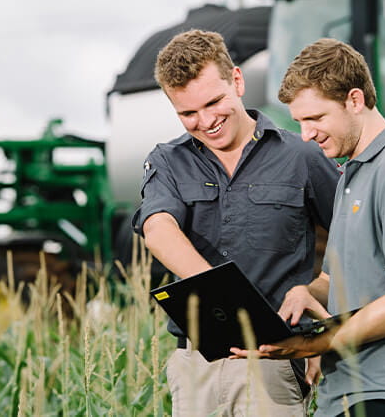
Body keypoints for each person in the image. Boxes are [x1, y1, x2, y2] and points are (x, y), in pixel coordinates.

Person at [230, 38, 385, 417]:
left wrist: (318, 343)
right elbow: (349, 278)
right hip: (348, 393)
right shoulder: (352, 173)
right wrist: (309, 291)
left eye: (316, 119)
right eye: (300, 122)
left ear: (355, 100)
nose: (306, 134)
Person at [132, 30, 340, 416]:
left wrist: (323, 322)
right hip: (196, 365)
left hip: (272, 361)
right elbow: (158, 229)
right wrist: (225, 296)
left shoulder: (302, 156)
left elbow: (353, 240)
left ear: (238, 82)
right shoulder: (167, 162)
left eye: (214, 102)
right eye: (188, 113)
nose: (206, 121)